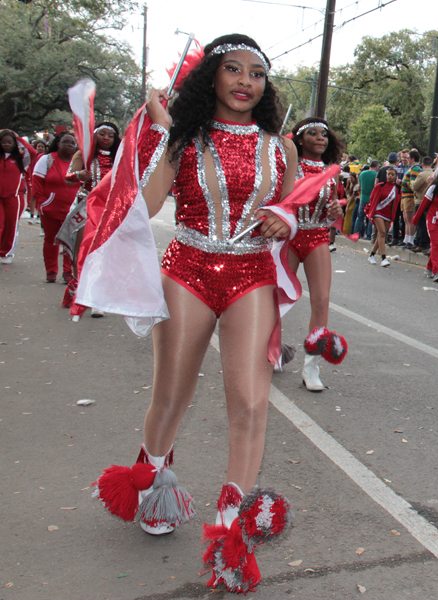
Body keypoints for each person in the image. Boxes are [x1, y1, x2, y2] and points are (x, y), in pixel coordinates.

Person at [90, 35, 301, 594]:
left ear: (265, 85)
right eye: (233, 69)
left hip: (251, 273)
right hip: (186, 267)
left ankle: (232, 530)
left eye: (257, 73)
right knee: (172, 394)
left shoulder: (280, 146)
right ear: (212, 77)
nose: (244, 81)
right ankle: (154, 480)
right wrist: (163, 133)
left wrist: (288, 220)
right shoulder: (185, 138)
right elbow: (150, 203)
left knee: (253, 402)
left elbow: (293, 205)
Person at [286, 116, 348, 392]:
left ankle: (311, 366)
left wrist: (336, 210)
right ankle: (273, 348)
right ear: (299, 140)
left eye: (324, 134)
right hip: (285, 237)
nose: (320, 138)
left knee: (321, 300)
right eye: (312, 133)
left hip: (316, 236)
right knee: (274, 298)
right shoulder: (287, 166)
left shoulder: (331, 171)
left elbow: (334, 204)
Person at [57, 122, 121, 312]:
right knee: (83, 251)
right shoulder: (83, 155)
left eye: (110, 135)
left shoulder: (121, 156)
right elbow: (69, 177)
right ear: (95, 136)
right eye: (102, 134)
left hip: (110, 208)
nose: (106, 138)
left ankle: (99, 297)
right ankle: (83, 292)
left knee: (105, 252)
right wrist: (80, 175)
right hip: (87, 206)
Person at [33, 131, 79, 282]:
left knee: (70, 241)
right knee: (51, 240)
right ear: (58, 143)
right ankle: (51, 272)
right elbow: (37, 183)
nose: (69, 145)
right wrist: (42, 204)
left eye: (73, 143)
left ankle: (68, 273)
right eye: (66, 141)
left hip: (73, 211)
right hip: (50, 209)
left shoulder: (78, 161)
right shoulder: (46, 160)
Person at [0, 131, 36, 264]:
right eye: (3, 142)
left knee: (11, 226)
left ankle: (6, 253)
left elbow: (31, 151)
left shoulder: (21, 159)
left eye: (10, 142)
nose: (6, 145)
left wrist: (17, 137)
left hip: (13, 198)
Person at [365, 167, 399, 266]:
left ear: (396, 176)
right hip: (378, 211)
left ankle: (372, 255)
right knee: (383, 232)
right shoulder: (379, 186)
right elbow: (372, 197)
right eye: (388, 174)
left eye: (392, 174)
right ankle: (383, 257)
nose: (390, 176)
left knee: (381, 234)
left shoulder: (397, 188)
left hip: (388, 213)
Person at [409, 155, 435, 253]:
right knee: (425, 223)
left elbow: (415, 187)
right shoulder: (434, 174)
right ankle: (419, 242)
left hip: (420, 201)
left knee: (421, 224)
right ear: (431, 164)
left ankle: (422, 244)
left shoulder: (422, 175)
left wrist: (411, 182)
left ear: (422, 165)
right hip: (429, 202)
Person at [397, 149, 422, 249]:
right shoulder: (412, 168)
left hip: (409, 196)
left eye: (408, 158)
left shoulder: (415, 169)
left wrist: (401, 183)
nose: (406, 159)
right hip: (405, 196)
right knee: (406, 219)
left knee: (410, 219)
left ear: (412, 158)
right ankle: (406, 239)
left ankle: (410, 240)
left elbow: (413, 185)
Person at [354, 160, 379, 239]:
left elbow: (360, 186)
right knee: (371, 217)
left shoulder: (362, 174)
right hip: (372, 199)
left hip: (363, 198)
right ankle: (369, 235)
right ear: (376, 167)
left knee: (359, 217)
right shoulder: (376, 175)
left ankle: (356, 233)